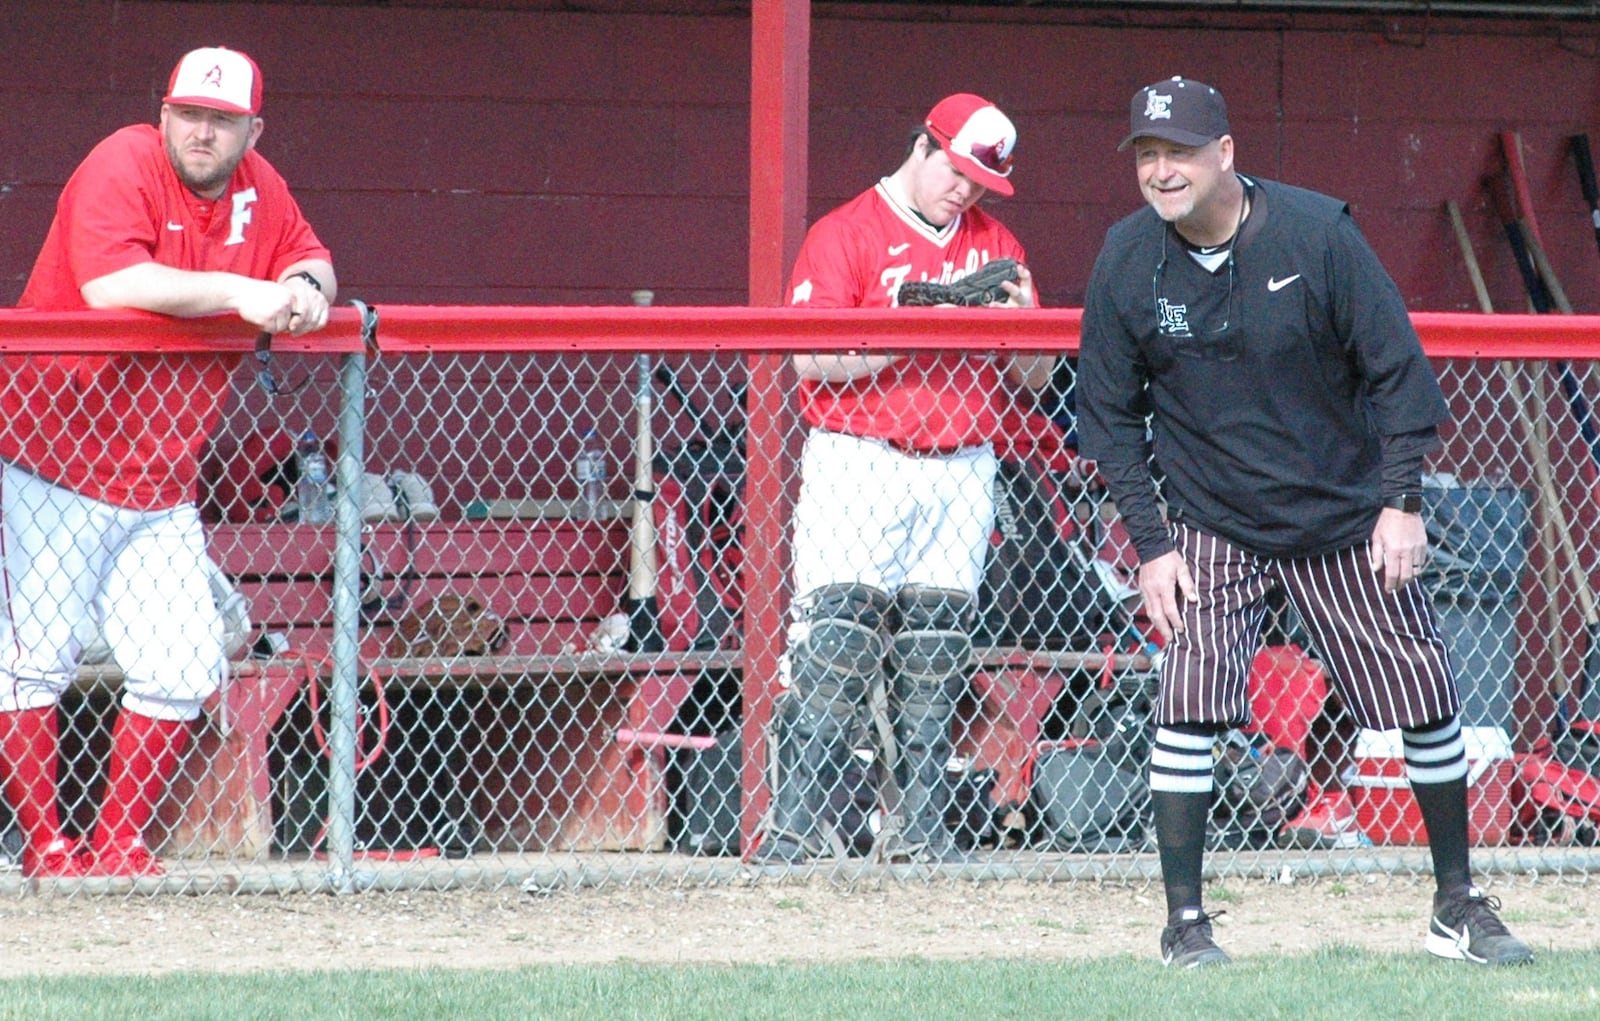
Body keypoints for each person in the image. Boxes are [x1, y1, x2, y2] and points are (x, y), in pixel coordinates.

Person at [1077, 76, 1532, 967]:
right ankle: (1185, 925)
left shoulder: (1318, 233)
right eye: (1147, 154)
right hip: (1211, 519)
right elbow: (1109, 418)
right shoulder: (1127, 258)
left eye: (1179, 152)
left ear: (1226, 155)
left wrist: (1402, 503)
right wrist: (1153, 545)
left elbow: (1399, 375)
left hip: (1342, 513)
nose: (1162, 171)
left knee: (1426, 697)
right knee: (1188, 705)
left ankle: (1456, 905)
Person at [0, 46, 335, 879]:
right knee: (36, 657)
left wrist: (304, 288)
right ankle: (48, 848)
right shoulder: (125, 159)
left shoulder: (261, 185)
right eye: (190, 113)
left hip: (159, 481)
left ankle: (119, 844)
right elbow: (114, 284)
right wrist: (239, 291)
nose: (202, 131)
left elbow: (312, 258)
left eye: (222, 120)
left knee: (185, 658)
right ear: (164, 114)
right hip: (54, 459)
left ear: (251, 129)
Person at [753, 93, 1054, 864]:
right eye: (956, 172)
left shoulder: (999, 243)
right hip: (862, 457)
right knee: (837, 644)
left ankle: (921, 827)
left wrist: (1016, 323)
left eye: (981, 183)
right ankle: (790, 831)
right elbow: (811, 360)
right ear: (924, 146)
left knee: (937, 649)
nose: (967, 191)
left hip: (962, 462)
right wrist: (918, 323)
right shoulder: (846, 230)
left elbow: (1037, 376)